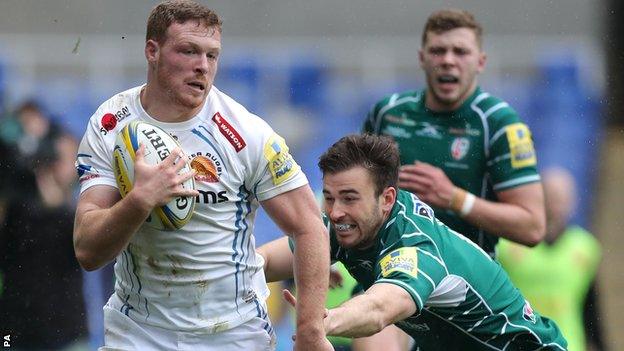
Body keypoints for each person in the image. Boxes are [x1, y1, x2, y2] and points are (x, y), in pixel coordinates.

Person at [72, 1, 331, 350]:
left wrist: (311, 331)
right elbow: (87, 251)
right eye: (189, 51)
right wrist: (140, 200)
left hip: (234, 333)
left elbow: (310, 227)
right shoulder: (111, 124)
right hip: (138, 332)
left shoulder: (246, 134)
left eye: (212, 55)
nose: (202, 67)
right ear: (153, 51)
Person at [259, 134, 567, 350]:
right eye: (329, 198)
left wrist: (319, 322)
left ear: (386, 199)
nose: (336, 211)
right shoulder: (351, 223)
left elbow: (380, 308)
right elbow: (267, 262)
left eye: (349, 198)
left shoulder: (414, 244)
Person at [360, 10, 546, 348]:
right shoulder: (387, 114)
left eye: (460, 52)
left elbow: (532, 226)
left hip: (466, 285)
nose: (448, 61)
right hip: (394, 271)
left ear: (481, 61)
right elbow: (356, 198)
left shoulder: (499, 124)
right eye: (438, 51)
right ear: (422, 58)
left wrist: (456, 199)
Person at [0, 131, 89, 350]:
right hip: (13, 333)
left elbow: (82, 247)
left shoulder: (81, 205)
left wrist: (54, 197)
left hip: (66, 333)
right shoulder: (17, 207)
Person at [498, 167, 602, 351]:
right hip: (520, 344)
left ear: (573, 202)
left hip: (568, 345)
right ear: (540, 198)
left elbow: (590, 307)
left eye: (563, 198)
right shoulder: (508, 246)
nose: (558, 205)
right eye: (552, 197)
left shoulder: (585, 248)